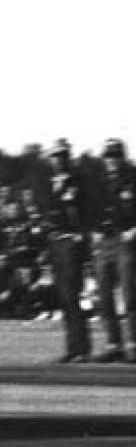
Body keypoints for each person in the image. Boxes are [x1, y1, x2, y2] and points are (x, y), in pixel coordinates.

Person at [90, 138, 136, 362]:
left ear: (122, 157)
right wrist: (93, 231)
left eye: (116, 155)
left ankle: (133, 344)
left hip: (124, 238)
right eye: (108, 156)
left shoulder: (132, 179)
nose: (112, 160)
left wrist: (134, 230)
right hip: (104, 241)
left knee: (129, 294)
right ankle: (113, 344)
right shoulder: (99, 183)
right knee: (104, 295)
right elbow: (90, 209)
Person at [44, 138, 90, 362]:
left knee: (72, 295)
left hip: (71, 242)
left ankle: (81, 347)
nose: (58, 160)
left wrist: (79, 234)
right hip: (56, 243)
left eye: (62, 156)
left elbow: (83, 210)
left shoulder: (77, 180)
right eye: (55, 156)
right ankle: (72, 347)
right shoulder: (50, 183)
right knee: (63, 297)